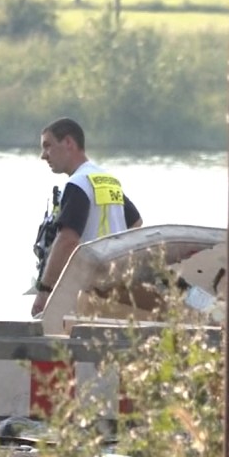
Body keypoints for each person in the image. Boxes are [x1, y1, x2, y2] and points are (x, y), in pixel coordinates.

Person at [30, 117, 142, 317]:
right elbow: (136, 223)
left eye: (47, 146)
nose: (43, 156)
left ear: (68, 143)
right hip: (113, 284)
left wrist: (45, 290)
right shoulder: (107, 179)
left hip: (84, 287)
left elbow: (67, 240)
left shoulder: (78, 183)